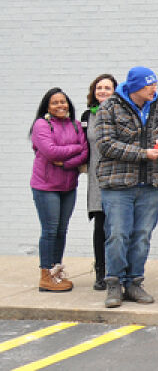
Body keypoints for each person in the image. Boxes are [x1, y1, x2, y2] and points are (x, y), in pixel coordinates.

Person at [94, 66, 158, 308]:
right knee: (118, 234)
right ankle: (114, 283)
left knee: (142, 236)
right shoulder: (110, 107)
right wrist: (143, 153)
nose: (154, 89)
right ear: (136, 86)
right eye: (150, 85)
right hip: (118, 184)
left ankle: (134, 282)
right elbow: (106, 144)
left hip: (151, 183)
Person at [30, 87, 88, 292]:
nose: (60, 105)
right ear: (47, 107)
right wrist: (75, 148)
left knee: (61, 230)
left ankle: (56, 271)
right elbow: (50, 151)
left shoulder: (75, 125)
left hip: (68, 186)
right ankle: (46, 275)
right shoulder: (41, 125)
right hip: (46, 187)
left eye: (63, 102)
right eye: (55, 102)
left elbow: (85, 153)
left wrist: (65, 163)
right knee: (50, 230)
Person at [82, 73, 117, 290]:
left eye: (107, 88)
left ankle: (118, 271)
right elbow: (81, 146)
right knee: (101, 227)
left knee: (119, 228)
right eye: (99, 88)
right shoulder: (87, 116)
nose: (102, 91)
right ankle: (101, 272)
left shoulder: (120, 114)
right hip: (96, 180)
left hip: (117, 177)